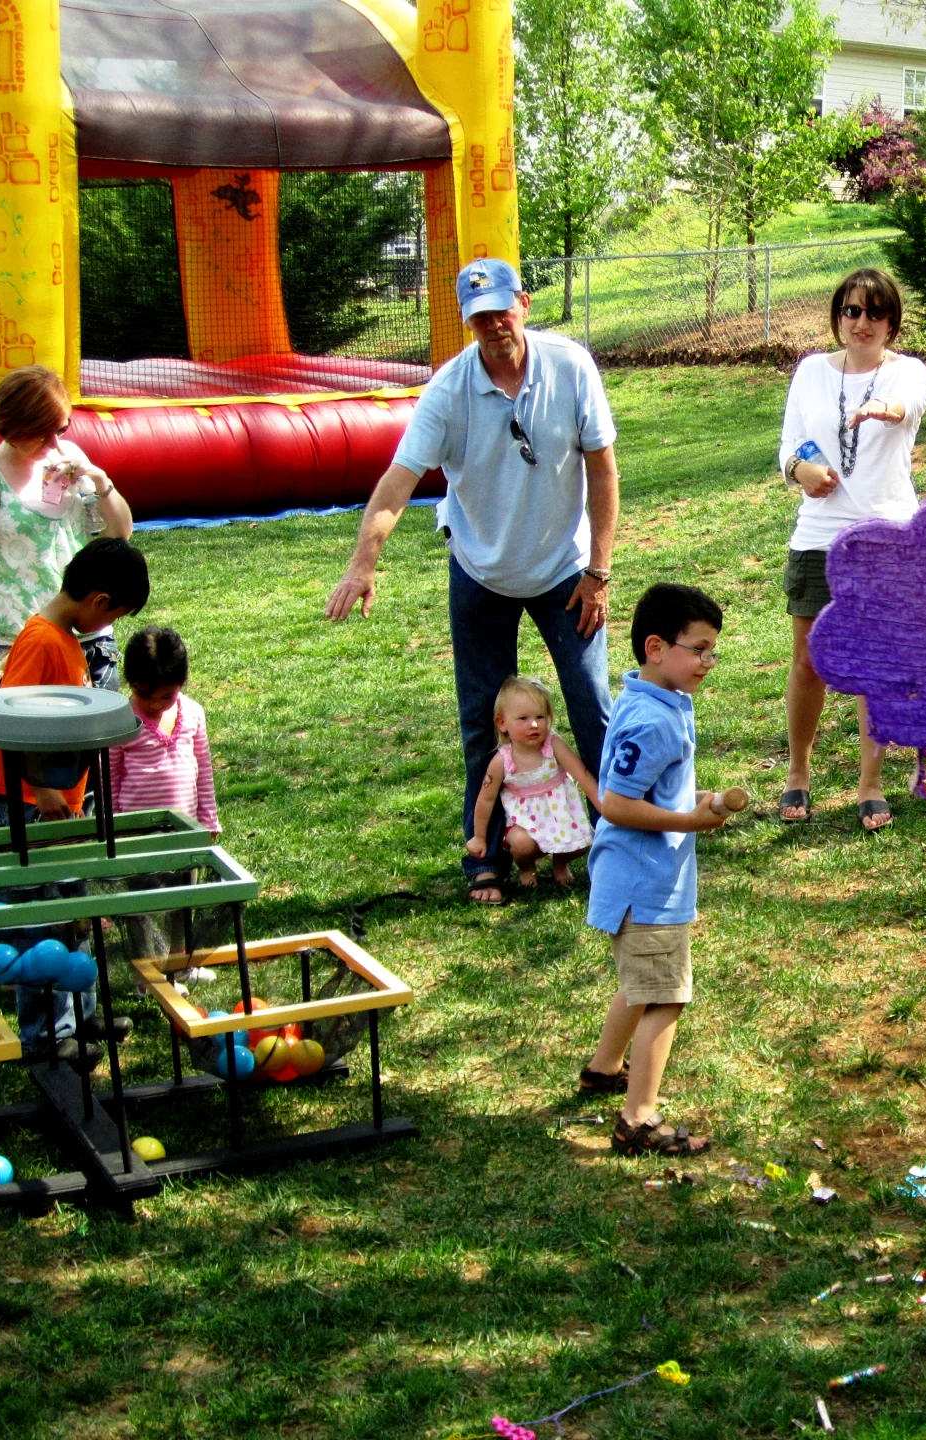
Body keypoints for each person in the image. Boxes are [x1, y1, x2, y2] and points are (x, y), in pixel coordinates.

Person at [325, 259, 621, 904]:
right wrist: (362, 563)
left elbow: (603, 468)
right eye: (479, 317)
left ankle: (618, 842)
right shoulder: (448, 391)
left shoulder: (570, 367)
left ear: (525, 304)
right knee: (482, 721)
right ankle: (483, 856)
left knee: (592, 704)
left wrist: (598, 571)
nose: (493, 325)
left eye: (501, 311)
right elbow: (397, 483)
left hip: (565, 571)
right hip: (480, 570)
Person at [775, 268, 926, 831]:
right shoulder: (810, 371)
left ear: (891, 322)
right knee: (809, 661)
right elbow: (789, 446)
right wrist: (800, 470)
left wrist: (880, 409)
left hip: (885, 536)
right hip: (818, 535)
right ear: (838, 316)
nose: (861, 322)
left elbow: (907, 406)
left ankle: (871, 783)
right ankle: (798, 773)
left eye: (874, 312)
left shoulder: (910, 372)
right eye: (851, 310)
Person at [0, 537, 150, 1061]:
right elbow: (9, 720)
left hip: (57, 808)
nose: (108, 624)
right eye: (114, 616)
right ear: (99, 601)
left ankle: (80, 1015)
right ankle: (47, 1037)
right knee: (38, 922)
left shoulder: (64, 640)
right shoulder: (40, 641)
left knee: (73, 911)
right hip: (22, 805)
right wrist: (42, 789)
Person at [580, 583, 727, 1156]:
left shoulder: (648, 699)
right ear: (656, 647)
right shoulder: (655, 720)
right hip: (647, 885)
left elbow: (647, 787)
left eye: (713, 650)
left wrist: (695, 800)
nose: (707, 662)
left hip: (637, 877)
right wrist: (690, 820)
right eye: (699, 649)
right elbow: (617, 804)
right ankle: (637, 1120)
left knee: (640, 984)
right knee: (666, 996)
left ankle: (603, 1068)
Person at [0, 365, 133, 689]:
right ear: (12, 428)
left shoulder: (70, 456)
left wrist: (99, 480)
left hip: (91, 638)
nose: (55, 443)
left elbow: (120, 535)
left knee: (100, 724)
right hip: (24, 643)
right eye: (42, 432)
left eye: (62, 428)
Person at [109, 625, 220, 987]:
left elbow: (204, 769)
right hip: (136, 833)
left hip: (184, 831)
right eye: (146, 695)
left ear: (182, 682)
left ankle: (181, 963)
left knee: (184, 897)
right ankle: (146, 975)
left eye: (166, 696)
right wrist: (112, 829)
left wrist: (208, 821)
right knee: (140, 905)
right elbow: (109, 778)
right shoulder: (120, 720)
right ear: (131, 682)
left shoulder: (193, 714)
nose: (156, 704)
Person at [468, 675, 600, 891]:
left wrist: (603, 807)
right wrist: (479, 837)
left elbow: (583, 775)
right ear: (502, 723)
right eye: (523, 718)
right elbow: (486, 799)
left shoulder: (554, 744)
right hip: (524, 821)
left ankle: (560, 862)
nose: (534, 724)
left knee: (584, 840)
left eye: (540, 716)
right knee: (522, 844)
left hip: (559, 814)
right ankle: (527, 867)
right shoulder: (502, 760)